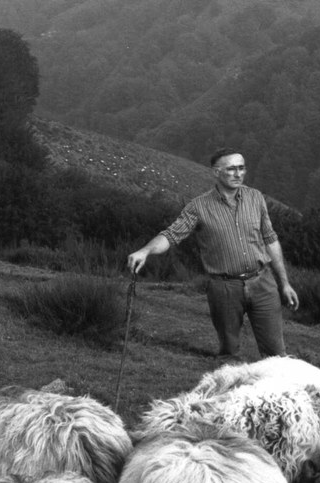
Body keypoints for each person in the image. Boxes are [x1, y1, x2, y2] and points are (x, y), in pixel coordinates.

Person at [127, 149, 299, 361]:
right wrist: (145, 251)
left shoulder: (256, 198)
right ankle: (230, 392)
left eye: (241, 167)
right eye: (231, 169)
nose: (238, 174)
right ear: (216, 172)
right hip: (224, 288)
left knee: (276, 354)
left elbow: (270, 239)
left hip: (263, 282)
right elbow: (171, 235)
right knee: (229, 354)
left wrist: (285, 283)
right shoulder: (198, 207)